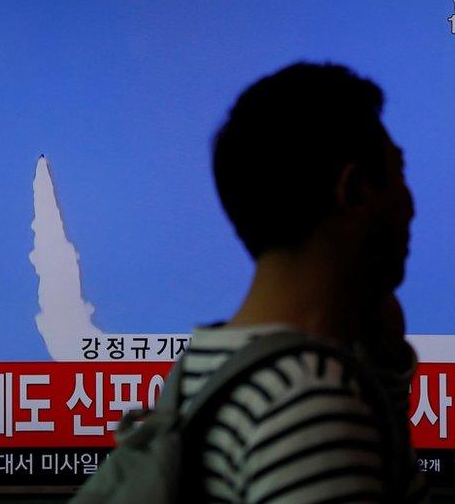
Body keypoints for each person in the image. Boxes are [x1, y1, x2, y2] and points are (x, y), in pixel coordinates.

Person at [182, 62, 428, 502]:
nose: (411, 206)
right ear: (353, 190)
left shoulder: (205, 367)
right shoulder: (308, 404)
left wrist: (384, 384)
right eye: (398, 173)